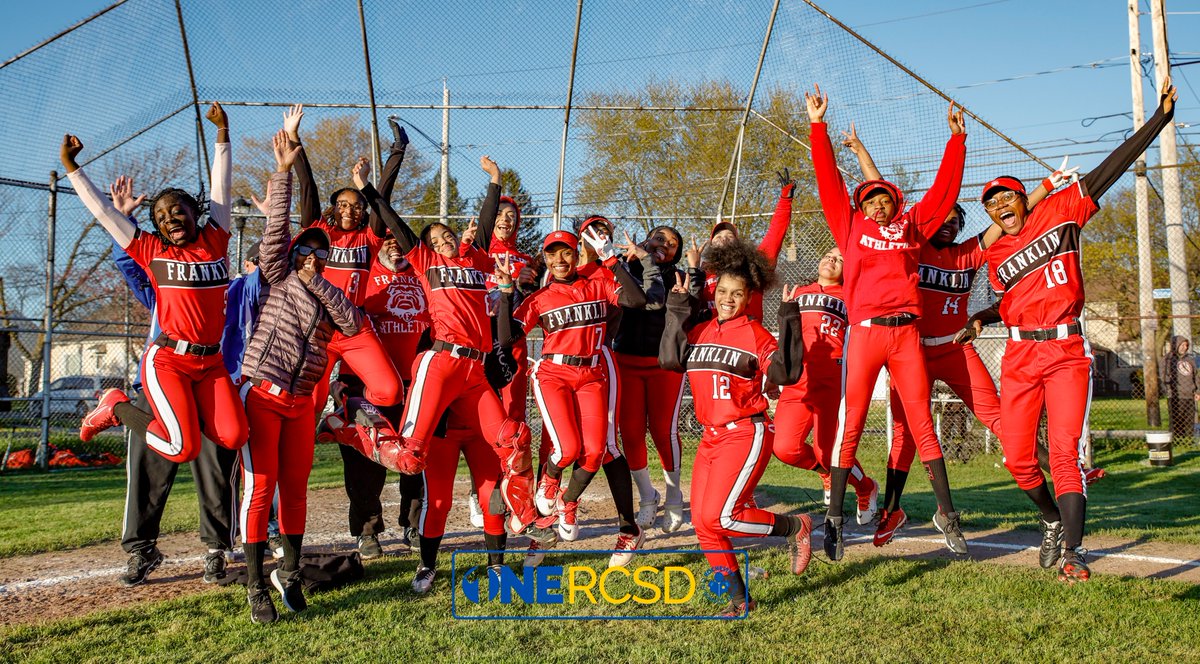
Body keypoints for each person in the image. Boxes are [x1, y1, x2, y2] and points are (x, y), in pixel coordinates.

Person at [977, 80, 1177, 583]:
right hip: (1020, 357)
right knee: (1018, 458)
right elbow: (1015, 302)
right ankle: (1049, 519)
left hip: (1067, 349)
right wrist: (985, 317)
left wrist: (1159, 119)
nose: (999, 202)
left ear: (1023, 199)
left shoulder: (1060, 211)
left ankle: (1074, 551)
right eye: (991, 201)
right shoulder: (995, 257)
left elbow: (1111, 168)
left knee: (1064, 452)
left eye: (1007, 194)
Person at [353, 153, 555, 553]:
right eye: (436, 237)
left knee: (513, 438)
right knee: (411, 458)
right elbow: (393, 221)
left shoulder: (475, 257)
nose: (444, 239)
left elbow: (484, 222)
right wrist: (365, 189)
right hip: (441, 362)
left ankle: (524, 515)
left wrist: (495, 180)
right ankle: (354, 422)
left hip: (476, 370)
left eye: (447, 234)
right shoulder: (425, 259)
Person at [805, 84, 968, 560]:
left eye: (884, 199)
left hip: (906, 334)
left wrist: (955, 143)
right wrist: (819, 126)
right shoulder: (851, 225)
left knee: (921, 423)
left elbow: (943, 194)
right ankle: (834, 521)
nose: (877, 204)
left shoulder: (911, 228)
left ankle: (948, 516)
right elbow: (828, 181)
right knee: (851, 421)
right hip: (868, 334)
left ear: (895, 203)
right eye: (870, 199)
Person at [68, 102, 249, 467]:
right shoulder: (151, 249)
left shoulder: (215, 238)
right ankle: (115, 407)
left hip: (210, 362)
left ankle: (184, 415)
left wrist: (222, 134)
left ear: (195, 214)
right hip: (169, 360)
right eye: (161, 216)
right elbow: (104, 213)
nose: (170, 218)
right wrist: (72, 167)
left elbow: (222, 189)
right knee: (183, 450)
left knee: (235, 435)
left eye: (178, 210)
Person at [238, 131, 364, 623]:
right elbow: (274, 233)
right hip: (263, 394)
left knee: (296, 490)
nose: (311, 256)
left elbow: (352, 323)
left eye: (320, 252)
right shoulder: (276, 276)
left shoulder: (327, 295)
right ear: (292, 255)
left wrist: (321, 285)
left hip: (299, 402)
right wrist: (284, 171)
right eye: (304, 250)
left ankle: (288, 573)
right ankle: (254, 586)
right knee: (262, 486)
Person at [106, 176, 245, 587]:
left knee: (218, 469)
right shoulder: (159, 275)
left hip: (211, 380)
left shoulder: (226, 280)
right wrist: (120, 218)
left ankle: (217, 549)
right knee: (149, 470)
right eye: (162, 217)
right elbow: (129, 260)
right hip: (159, 380)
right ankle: (140, 549)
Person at [660, 240, 810, 617]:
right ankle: (739, 600)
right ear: (714, 291)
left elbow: (785, 373)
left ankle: (795, 526)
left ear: (748, 297)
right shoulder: (701, 331)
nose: (728, 299)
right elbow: (670, 359)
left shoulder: (756, 334)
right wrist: (677, 309)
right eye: (723, 291)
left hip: (746, 432)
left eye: (737, 294)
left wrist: (789, 317)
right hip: (711, 438)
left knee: (722, 517)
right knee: (704, 524)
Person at [286, 105, 406, 558]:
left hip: (353, 330)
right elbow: (308, 187)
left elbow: (382, 200)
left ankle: (346, 411)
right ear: (333, 211)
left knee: (389, 389)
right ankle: (328, 409)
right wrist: (294, 141)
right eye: (345, 205)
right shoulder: (317, 232)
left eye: (356, 205)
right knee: (298, 418)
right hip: (317, 335)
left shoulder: (368, 238)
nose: (351, 210)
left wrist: (396, 152)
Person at [499, 228, 657, 567]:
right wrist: (507, 290)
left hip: (597, 367)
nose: (561, 259)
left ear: (581, 251)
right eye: (553, 253)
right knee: (560, 449)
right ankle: (542, 528)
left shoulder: (600, 275)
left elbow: (638, 300)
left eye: (568, 251)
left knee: (600, 450)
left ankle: (590, 514)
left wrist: (611, 256)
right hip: (555, 373)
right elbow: (508, 333)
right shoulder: (541, 295)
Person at [771, 246, 879, 525]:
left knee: (828, 450)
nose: (832, 259)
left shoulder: (852, 296)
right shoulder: (798, 291)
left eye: (841, 258)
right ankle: (828, 472)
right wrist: (773, 374)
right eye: (829, 255)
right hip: (798, 378)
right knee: (784, 447)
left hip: (833, 376)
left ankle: (865, 487)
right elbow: (784, 337)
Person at [612, 224, 689, 532]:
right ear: (644, 240)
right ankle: (647, 495)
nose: (663, 244)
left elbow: (664, 305)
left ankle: (673, 496)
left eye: (670, 243)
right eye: (658, 237)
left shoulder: (677, 277)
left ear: (675, 254)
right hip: (626, 360)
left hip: (663, 364)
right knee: (629, 431)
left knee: (662, 431)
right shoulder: (622, 268)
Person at [1160, 336, 1198, 444]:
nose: (1184, 347)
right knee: (1176, 419)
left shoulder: (1190, 360)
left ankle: (1188, 441)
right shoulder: (1167, 359)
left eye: (1186, 345)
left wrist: (1198, 391)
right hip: (1175, 395)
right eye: (1182, 345)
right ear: (1175, 345)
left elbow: (1196, 376)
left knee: (1189, 420)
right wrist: (1168, 389)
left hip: (1189, 394)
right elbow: (1163, 377)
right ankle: (1176, 441)